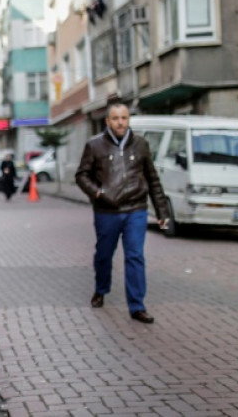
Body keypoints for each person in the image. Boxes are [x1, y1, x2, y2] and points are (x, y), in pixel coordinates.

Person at [75, 103, 170, 323]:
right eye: (116, 118)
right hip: (107, 211)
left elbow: (153, 179)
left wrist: (162, 211)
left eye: (124, 118)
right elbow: (81, 176)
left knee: (135, 256)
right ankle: (101, 288)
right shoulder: (94, 145)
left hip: (136, 209)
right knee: (104, 255)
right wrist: (98, 194)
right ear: (107, 121)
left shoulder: (141, 145)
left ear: (129, 120)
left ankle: (137, 306)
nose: (120, 122)